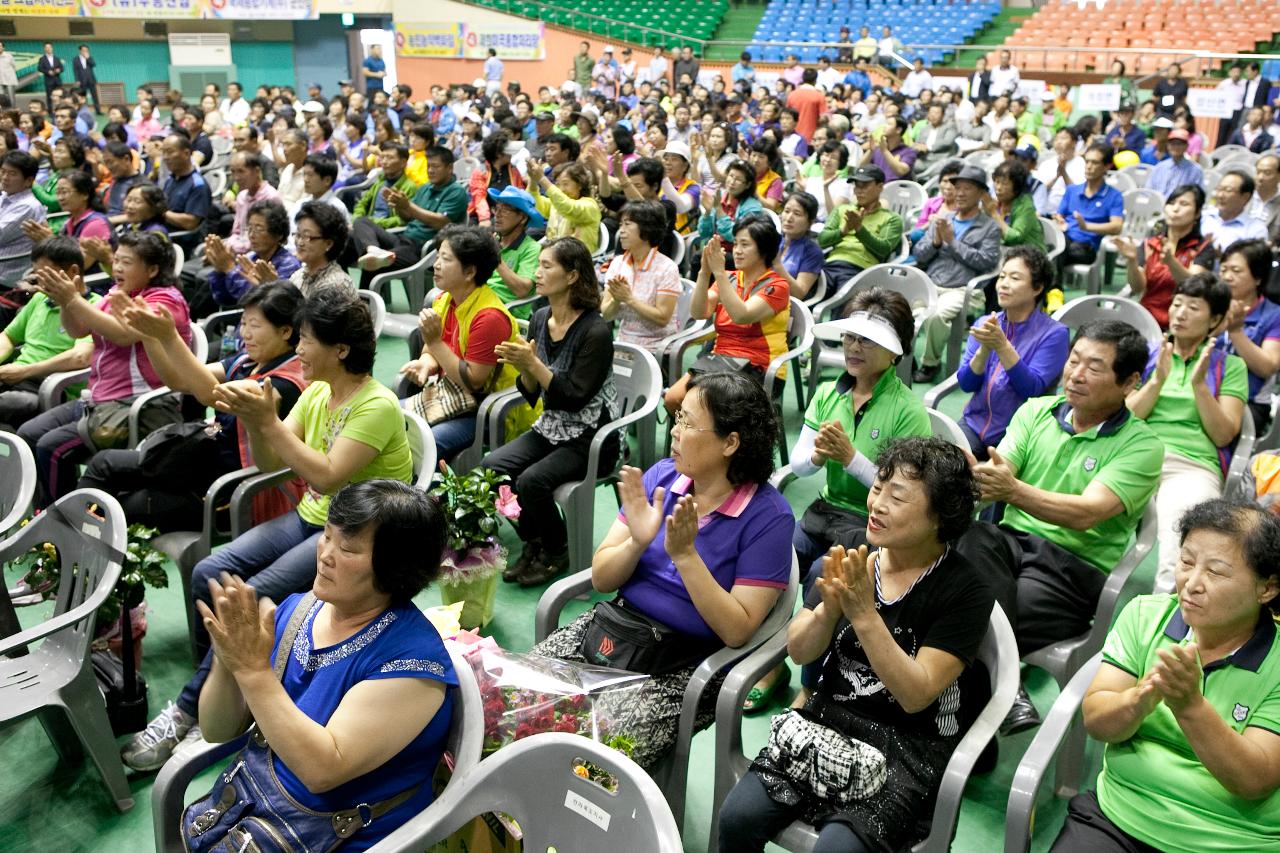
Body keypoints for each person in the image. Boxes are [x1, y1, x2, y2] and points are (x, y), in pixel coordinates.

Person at [121, 290, 413, 771]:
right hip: (312, 517)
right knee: (209, 570)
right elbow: (271, 460)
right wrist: (258, 420)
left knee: (249, 597)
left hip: (355, 534)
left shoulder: (376, 405)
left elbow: (326, 475)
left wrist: (265, 418)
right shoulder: (319, 391)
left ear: (340, 349)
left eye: (306, 340)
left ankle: (188, 710)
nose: (297, 350)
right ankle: (221, 686)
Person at [719, 437, 994, 853]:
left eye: (896, 497)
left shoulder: (965, 590)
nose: (876, 503)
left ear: (941, 516)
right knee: (736, 818)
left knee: (837, 850)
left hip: (908, 744)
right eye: (878, 486)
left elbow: (916, 695)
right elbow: (798, 650)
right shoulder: (852, 553)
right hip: (829, 718)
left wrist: (864, 614)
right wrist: (829, 612)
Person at [532, 371, 793, 768]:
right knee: (521, 700)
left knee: (591, 753)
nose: (674, 430)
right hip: (618, 629)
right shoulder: (661, 478)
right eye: (677, 418)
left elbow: (737, 629)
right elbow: (602, 578)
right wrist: (637, 542)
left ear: (731, 442)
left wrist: (686, 556)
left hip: (688, 665)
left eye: (687, 422)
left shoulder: (768, 517)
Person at [189, 479, 458, 853]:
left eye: (347, 547)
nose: (326, 553)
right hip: (252, 817)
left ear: (394, 568)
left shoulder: (411, 663)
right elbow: (216, 729)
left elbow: (322, 770)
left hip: (336, 839)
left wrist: (252, 670)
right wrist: (227, 659)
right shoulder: (297, 611)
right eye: (327, 535)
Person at [957, 320, 1163, 730]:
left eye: (1095, 366)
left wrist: (1012, 490)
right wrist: (970, 476)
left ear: (1130, 382)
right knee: (971, 535)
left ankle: (974, 720)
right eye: (1073, 361)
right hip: (1009, 545)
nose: (1076, 374)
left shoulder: (1143, 446)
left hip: (1069, 572)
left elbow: (1086, 513)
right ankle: (1007, 685)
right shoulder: (1037, 410)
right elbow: (1001, 474)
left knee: (956, 611)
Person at [1050, 497, 1280, 853]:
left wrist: (1189, 705)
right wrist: (1140, 700)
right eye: (1186, 562)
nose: (1192, 583)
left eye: (1216, 571)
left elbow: (1253, 779)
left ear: (1267, 588)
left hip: (1231, 839)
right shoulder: (1145, 616)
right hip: (1120, 815)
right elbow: (1097, 721)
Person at [79, 281, 306, 531]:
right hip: (198, 462)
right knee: (104, 463)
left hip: (227, 490)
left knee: (124, 508)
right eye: (243, 323)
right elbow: (177, 380)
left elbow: (212, 395)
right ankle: (63, 542)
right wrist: (150, 337)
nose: (245, 334)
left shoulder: (286, 382)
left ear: (285, 332)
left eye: (255, 325)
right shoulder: (246, 362)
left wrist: (170, 336)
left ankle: (71, 548)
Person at [482, 236, 619, 586]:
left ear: (572, 276)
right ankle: (536, 539)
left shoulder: (595, 331)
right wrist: (524, 367)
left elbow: (573, 397)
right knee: (491, 469)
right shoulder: (541, 317)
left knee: (531, 481)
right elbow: (532, 393)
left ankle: (558, 548)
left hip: (590, 437)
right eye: (538, 265)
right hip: (552, 426)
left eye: (547, 266)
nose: (537, 273)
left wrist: (533, 364)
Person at [20, 231, 191, 506]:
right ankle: (45, 510)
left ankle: (61, 523)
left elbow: (123, 334)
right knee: (29, 434)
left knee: (51, 448)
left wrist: (74, 300)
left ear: (153, 269)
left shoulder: (165, 301)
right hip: (98, 399)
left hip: (134, 405)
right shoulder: (117, 293)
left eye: (127, 262)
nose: (118, 268)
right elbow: (77, 330)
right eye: (117, 260)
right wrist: (67, 300)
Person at [1129, 276, 1249, 588]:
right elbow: (1124, 416)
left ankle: (1166, 620)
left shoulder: (1229, 366)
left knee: (1183, 547)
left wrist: (1199, 386)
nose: (1180, 313)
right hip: (1135, 453)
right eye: (1177, 303)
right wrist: (1156, 381)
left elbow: (1224, 434)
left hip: (1191, 465)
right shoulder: (1149, 355)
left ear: (1215, 320)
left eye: (1193, 307)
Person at [400, 225, 520, 462]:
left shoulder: (489, 317)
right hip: (450, 396)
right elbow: (432, 349)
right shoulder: (445, 299)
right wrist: (426, 363)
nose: (436, 265)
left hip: (488, 410)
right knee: (384, 412)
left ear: (469, 272)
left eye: (445, 259)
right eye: (437, 257)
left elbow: (473, 381)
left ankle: (417, 497)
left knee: (425, 443)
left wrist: (434, 343)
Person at [666, 215, 791, 414]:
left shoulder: (777, 286)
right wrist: (705, 272)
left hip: (760, 367)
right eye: (736, 244)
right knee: (673, 399)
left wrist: (720, 273)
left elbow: (742, 315)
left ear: (764, 249)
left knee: (706, 408)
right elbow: (699, 312)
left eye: (745, 245)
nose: (737, 251)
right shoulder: (731, 278)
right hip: (720, 361)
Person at [957, 246, 1069, 456]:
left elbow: (1032, 389)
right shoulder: (986, 323)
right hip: (974, 423)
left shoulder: (1054, 334)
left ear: (1037, 288)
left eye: (1015, 278)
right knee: (940, 469)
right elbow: (966, 384)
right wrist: (984, 350)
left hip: (1018, 435)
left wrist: (1002, 346)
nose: (1004, 284)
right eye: (1002, 276)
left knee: (985, 483)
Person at [913, 164, 1002, 384]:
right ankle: (905, 359)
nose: (960, 193)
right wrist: (935, 241)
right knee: (894, 307)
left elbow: (986, 262)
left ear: (982, 194)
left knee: (935, 316)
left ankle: (930, 364)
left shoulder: (989, 227)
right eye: (958, 187)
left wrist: (952, 242)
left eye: (967, 188)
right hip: (932, 283)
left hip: (964, 289)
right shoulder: (944, 218)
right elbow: (919, 254)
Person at [0, 237, 95, 429]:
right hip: (15, 378)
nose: (39, 281)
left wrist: (23, 371)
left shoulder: (94, 307)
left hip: (51, 388)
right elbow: (8, 336)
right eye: (36, 274)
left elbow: (80, 357)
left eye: (45, 274)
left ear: (73, 272)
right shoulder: (40, 299)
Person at [354, 145, 467, 279]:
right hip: (403, 238)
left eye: (435, 167)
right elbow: (408, 217)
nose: (430, 170)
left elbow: (441, 222)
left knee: (373, 263)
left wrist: (408, 206)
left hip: (424, 247)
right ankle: (373, 249)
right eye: (428, 166)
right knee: (361, 222)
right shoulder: (425, 188)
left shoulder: (456, 191)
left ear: (449, 168)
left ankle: (364, 299)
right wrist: (399, 206)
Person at [1115, 183, 1215, 329]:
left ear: (1198, 213)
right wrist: (1132, 261)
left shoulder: (1203, 248)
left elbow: (1194, 286)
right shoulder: (1150, 243)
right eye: (1171, 203)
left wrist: (1170, 262)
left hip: (1182, 324)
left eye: (1184, 204)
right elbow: (1137, 288)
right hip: (1146, 318)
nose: (1175, 209)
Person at [1216, 239, 1280, 434]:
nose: (1227, 276)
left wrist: (1236, 332)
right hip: (1204, 392)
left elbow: (1267, 367)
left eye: (1236, 271)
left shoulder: (1274, 315)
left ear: (1258, 278)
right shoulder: (1209, 305)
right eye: (1224, 269)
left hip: (1248, 403)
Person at [601, 199, 680, 352]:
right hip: (624, 344)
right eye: (620, 225)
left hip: (658, 348)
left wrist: (629, 299)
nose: (621, 231)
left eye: (627, 224)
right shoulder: (617, 264)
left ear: (647, 228)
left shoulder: (667, 268)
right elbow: (606, 315)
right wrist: (616, 300)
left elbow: (663, 318)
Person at [819, 165, 906, 289]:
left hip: (861, 271)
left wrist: (859, 229)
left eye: (864, 186)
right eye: (856, 186)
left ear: (880, 187)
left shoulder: (892, 218)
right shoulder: (842, 209)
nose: (859, 191)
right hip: (830, 264)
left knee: (845, 302)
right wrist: (844, 231)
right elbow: (822, 240)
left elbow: (884, 249)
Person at [207, 200, 300, 310]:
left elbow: (249, 299)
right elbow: (225, 299)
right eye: (249, 228)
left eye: (259, 229)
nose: (251, 235)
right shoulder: (251, 257)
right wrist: (219, 271)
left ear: (278, 234)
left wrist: (229, 269)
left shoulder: (289, 265)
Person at [1053, 142, 1124, 268]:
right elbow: (1059, 215)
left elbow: (1117, 226)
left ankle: (1054, 287)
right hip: (1065, 239)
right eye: (1087, 162)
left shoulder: (1114, 195)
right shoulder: (1072, 190)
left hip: (1087, 247)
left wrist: (1087, 227)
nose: (1088, 166)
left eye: (1095, 163)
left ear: (1107, 166)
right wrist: (1059, 221)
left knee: (1056, 252)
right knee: (1049, 248)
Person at [527, 158, 600, 254]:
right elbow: (533, 203)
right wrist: (533, 180)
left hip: (577, 261)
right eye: (557, 184)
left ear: (580, 184)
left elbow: (567, 207)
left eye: (565, 184)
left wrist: (542, 179)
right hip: (555, 258)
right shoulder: (556, 205)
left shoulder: (589, 206)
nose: (561, 189)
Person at [697, 159, 764, 253]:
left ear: (748, 185)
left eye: (738, 179)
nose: (732, 182)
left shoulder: (753, 207)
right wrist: (707, 213)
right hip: (715, 250)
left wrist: (719, 210)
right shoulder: (719, 198)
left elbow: (737, 236)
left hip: (738, 254)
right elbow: (704, 233)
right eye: (731, 176)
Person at [290, 200, 355, 298]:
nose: (299, 242)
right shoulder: (298, 275)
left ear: (328, 244)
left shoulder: (336, 285)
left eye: (307, 236)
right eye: (298, 235)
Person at [1201, 170, 1268, 252]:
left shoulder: (1255, 230)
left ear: (1245, 197)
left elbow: (1254, 262)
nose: (1220, 195)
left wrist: (1222, 257)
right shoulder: (1203, 216)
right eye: (1219, 189)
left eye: (1228, 190)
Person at [988, 159, 1046, 250]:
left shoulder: (1025, 206)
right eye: (997, 182)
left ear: (1017, 187)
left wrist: (994, 214)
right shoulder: (998, 202)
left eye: (1004, 183)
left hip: (1030, 255)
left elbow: (1015, 238)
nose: (998, 188)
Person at [776, 191, 823, 300]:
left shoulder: (812, 252)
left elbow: (799, 293)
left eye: (797, 214)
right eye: (786, 211)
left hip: (786, 305)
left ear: (810, 222)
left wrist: (777, 265)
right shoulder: (773, 240)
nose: (789, 218)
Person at [802, 140, 851, 223]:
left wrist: (826, 188)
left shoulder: (844, 184)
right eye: (826, 155)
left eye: (833, 157)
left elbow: (834, 216)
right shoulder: (811, 181)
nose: (828, 160)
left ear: (840, 162)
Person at [1145, 128, 1203, 199]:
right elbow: (1148, 191)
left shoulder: (1195, 170)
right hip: (1158, 206)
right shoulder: (1160, 167)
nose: (1176, 146)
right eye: (1173, 143)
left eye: (1180, 144)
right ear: (1168, 145)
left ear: (1187, 146)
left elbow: (1198, 196)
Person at [71, 45, 99, 115]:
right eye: (83, 50)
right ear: (80, 51)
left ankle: (98, 111)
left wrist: (88, 58)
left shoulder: (89, 57)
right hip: (82, 81)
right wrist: (77, 80)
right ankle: (85, 111)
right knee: (83, 97)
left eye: (86, 50)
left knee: (95, 96)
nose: (85, 51)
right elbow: (75, 70)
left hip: (91, 80)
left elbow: (93, 64)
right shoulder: (76, 59)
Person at [37, 44, 63, 110]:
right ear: (44, 49)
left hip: (57, 80)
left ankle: (60, 109)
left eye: (50, 47)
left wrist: (59, 70)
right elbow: (40, 68)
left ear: (52, 48)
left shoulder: (56, 58)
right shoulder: (42, 59)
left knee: (60, 96)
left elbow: (62, 68)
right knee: (49, 97)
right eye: (47, 47)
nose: (48, 49)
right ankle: (50, 112)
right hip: (49, 81)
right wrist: (47, 72)